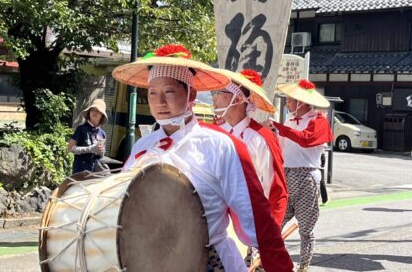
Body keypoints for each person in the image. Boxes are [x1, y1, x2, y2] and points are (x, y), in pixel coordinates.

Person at [113, 44, 293, 272]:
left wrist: (279, 266)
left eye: (169, 92)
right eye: (152, 93)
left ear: (191, 94)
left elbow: (257, 218)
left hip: (208, 259)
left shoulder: (219, 145)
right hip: (150, 261)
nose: (160, 101)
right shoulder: (143, 146)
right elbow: (119, 204)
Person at [267, 79, 333, 272]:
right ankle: (274, 262)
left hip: (307, 176)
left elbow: (307, 140)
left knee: (306, 228)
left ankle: (304, 266)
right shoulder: (289, 120)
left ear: (301, 102)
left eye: (289, 101)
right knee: (276, 222)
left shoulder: (318, 120)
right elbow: (281, 147)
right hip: (286, 174)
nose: (287, 104)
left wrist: (281, 129)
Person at [211, 68, 287, 226]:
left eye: (219, 92)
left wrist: (271, 231)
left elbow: (275, 190)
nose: (214, 98)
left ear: (238, 99)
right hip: (215, 220)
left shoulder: (263, 137)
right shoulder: (214, 133)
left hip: (249, 221)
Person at [67, 99, 108, 174]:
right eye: (92, 110)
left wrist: (101, 152)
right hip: (80, 171)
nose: (94, 112)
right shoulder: (81, 129)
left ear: (102, 115)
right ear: (89, 112)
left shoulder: (102, 134)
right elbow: (70, 148)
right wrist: (89, 149)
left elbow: (101, 156)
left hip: (94, 174)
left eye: (98, 111)